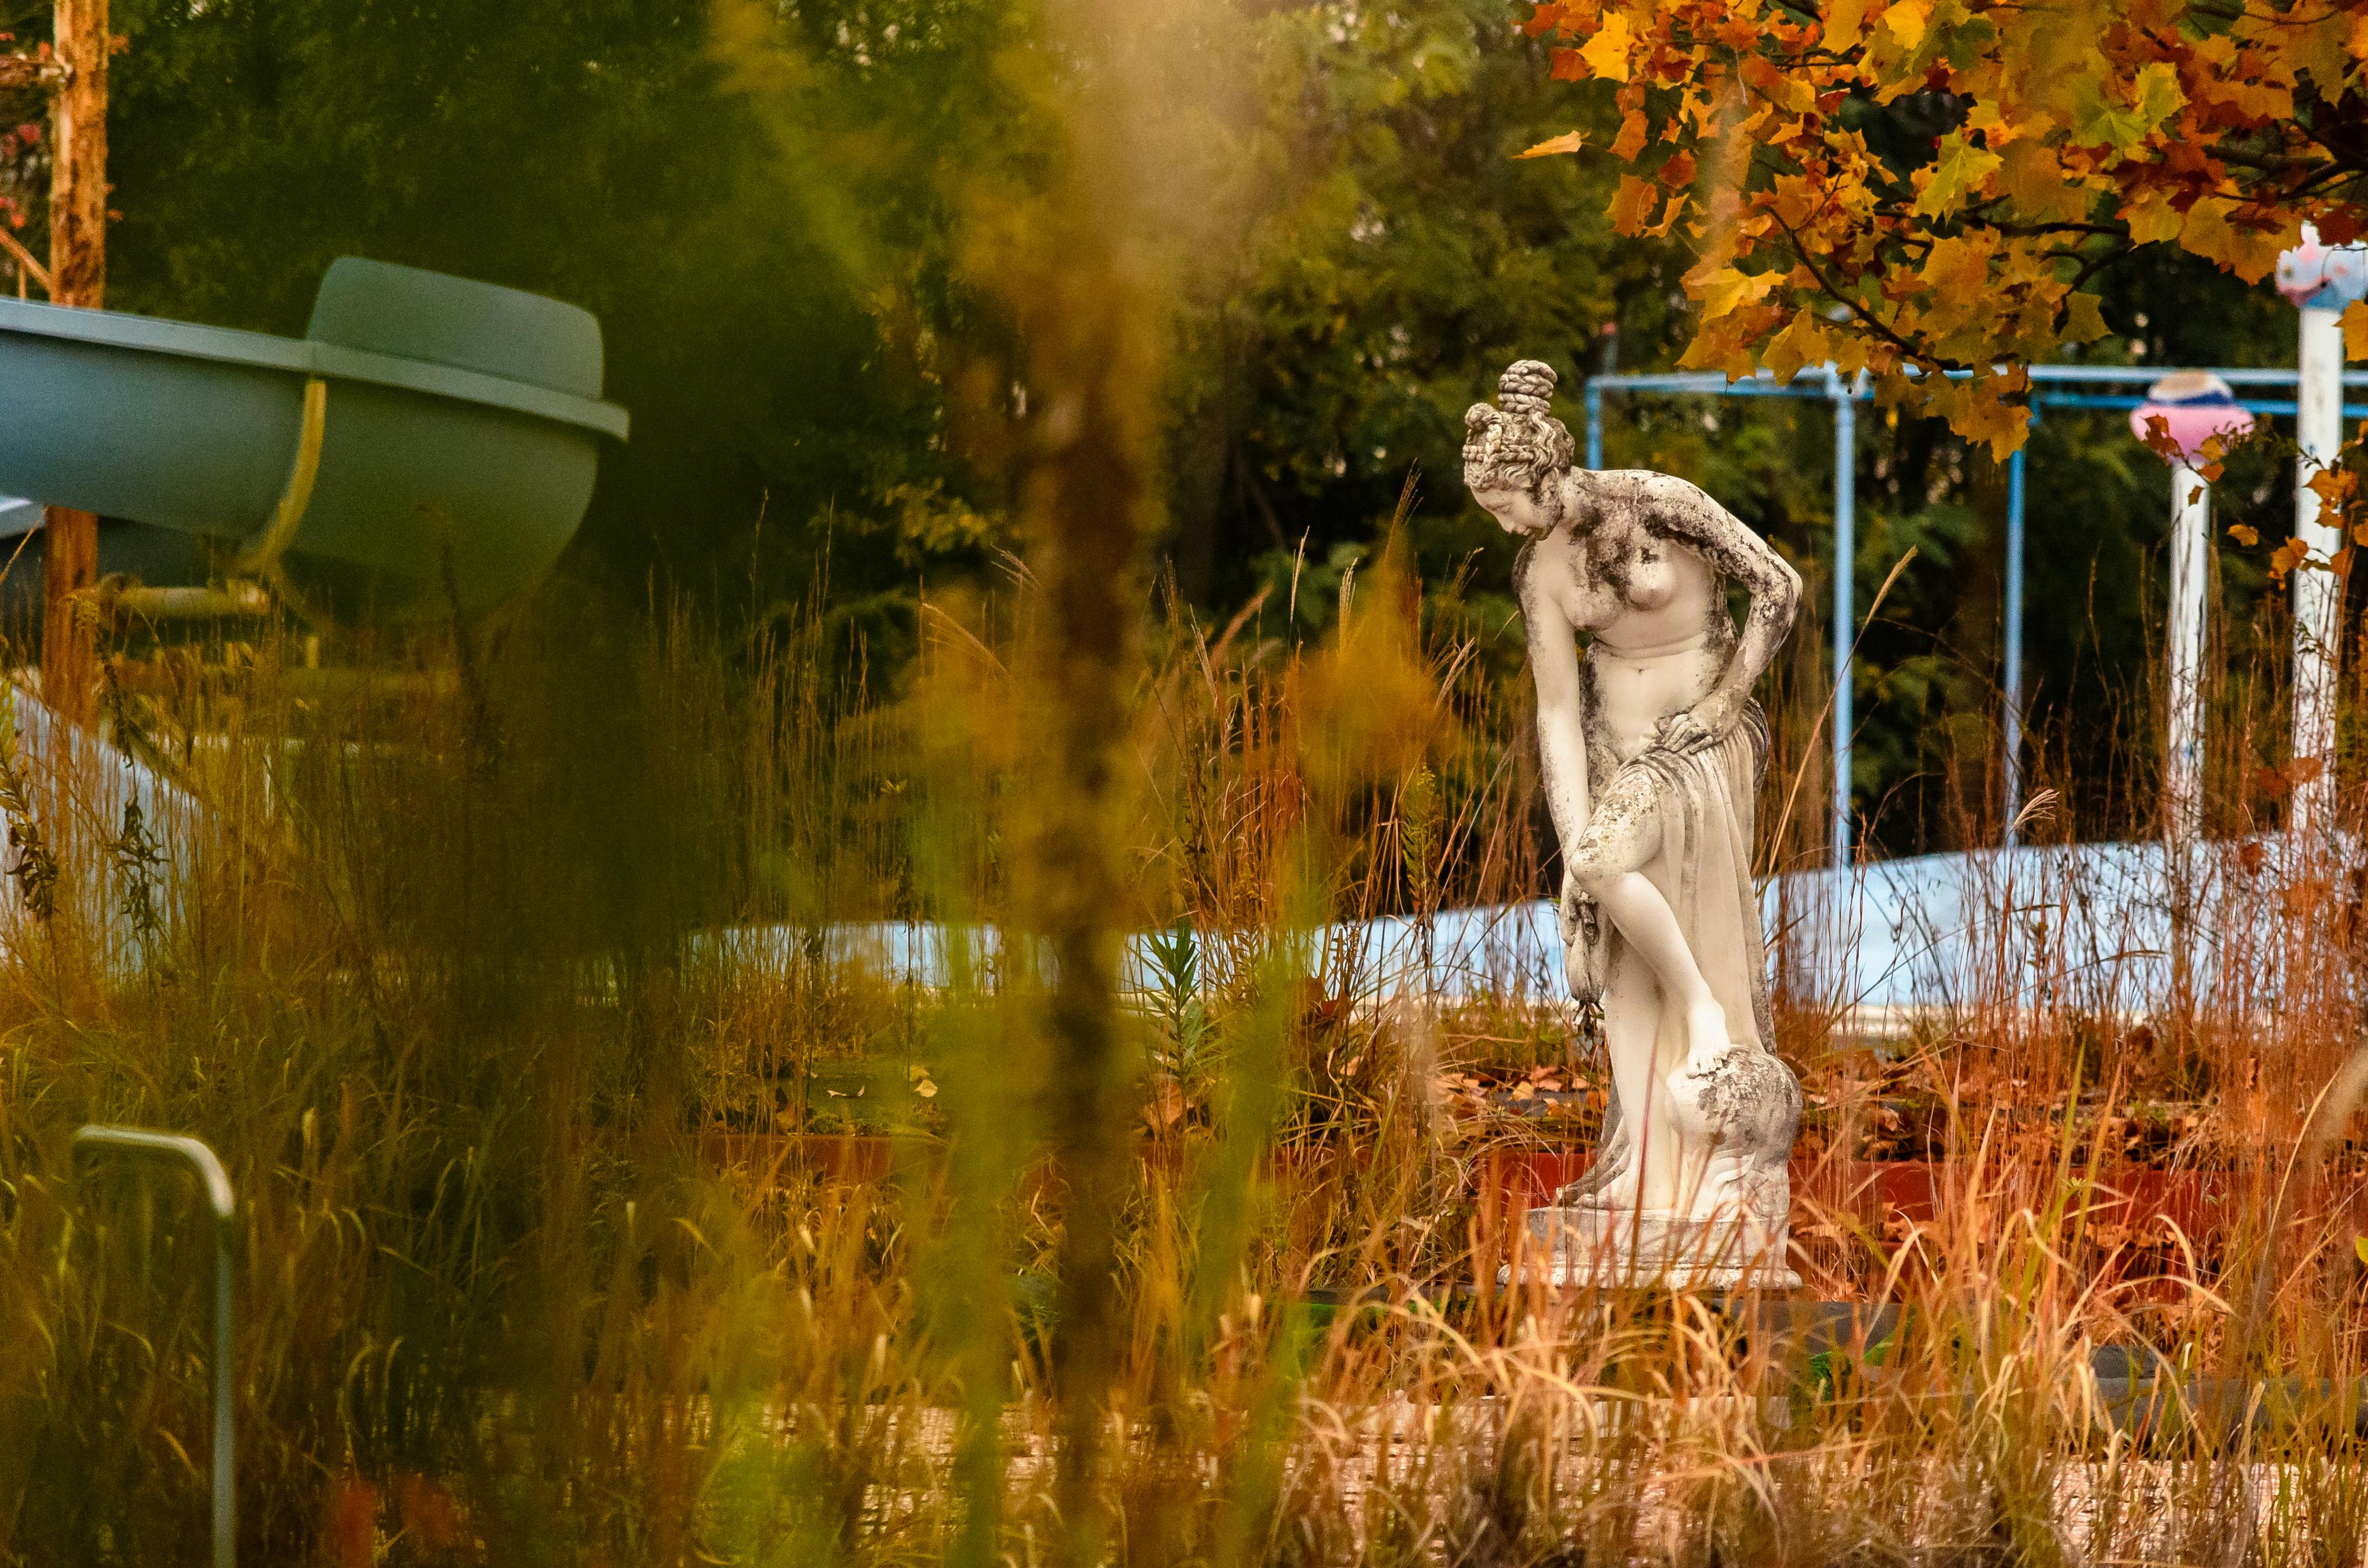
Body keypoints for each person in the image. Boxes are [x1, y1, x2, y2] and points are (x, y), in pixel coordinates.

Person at [1465, 359, 1801, 1220]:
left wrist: (1728, 701)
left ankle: (1706, 1012)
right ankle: (1645, 1177)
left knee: (1616, 868)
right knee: (1615, 958)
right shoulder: (1540, 572)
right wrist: (1572, 850)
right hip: (1615, 757)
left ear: (1551, 477)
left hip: (1696, 741)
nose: (1507, 526)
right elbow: (1554, 716)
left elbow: (1779, 585)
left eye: (1511, 506)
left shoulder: (1659, 503)